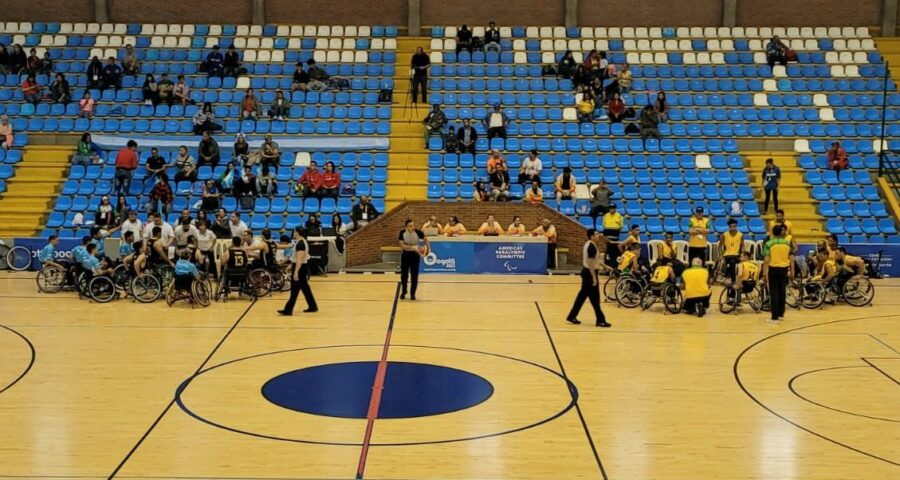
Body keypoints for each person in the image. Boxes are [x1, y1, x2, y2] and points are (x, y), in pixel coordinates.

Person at [566, 229, 612, 327]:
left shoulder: (589, 244)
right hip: (590, 274)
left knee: (583, 297)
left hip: (587, 273)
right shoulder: (591, 246)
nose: (598, 235)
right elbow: (591, 263)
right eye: (596, 234)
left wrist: (604, 266)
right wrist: (594, 278)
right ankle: (600, 320)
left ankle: (572, 316)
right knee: (595, 299)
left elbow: (594, 260)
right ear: (591, 236)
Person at [278, 227, 319, 315]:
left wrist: (296, 271)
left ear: (297, 232)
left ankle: (288, 310)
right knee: (305, 289)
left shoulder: (301, 243)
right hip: (301, 267)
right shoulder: (301, 242)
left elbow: (300, 259)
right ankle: (313, 306)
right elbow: (297, 258)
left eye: (294, 231)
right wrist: (291, 265)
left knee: (294, 290)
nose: (293, 233)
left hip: (300, 268)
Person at [762, 225, 793, 322]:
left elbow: (766, 260)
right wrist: (792, 270)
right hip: (784, 269)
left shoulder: (769, 243)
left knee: (774, 292)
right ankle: (781, 314)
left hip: (774, 269)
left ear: (772, 232)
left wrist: (764, 274)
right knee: (782, 291)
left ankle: (774, 317)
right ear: (781, 232)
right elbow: (791, 257)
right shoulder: (787, 243)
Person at [398, 219, 429, 300]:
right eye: (410, 226)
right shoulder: (402, 233)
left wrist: (427, 248)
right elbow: (402, 246)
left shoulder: (418, 232)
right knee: (404, 275)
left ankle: (413, 294)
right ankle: (404, 291)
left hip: (415, 256)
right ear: (406, 227)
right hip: (406, 254)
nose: (412, 227)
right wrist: (413, 248)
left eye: (413, 225)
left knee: (414, 275)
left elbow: (426, 239)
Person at [719, 218, 744, 283]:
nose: (732, 228)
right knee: (731, 260)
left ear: (736, 226)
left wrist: (742, 254)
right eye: (731, 227)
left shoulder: (740, 235)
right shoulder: (725, 235)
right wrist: (721, 255)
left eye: (734, 226)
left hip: (736, 255)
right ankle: (732, 280)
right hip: (727, 255)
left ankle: (727, 275)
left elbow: (743, 246)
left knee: (732, 262)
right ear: (729, 227)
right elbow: (719, 246)